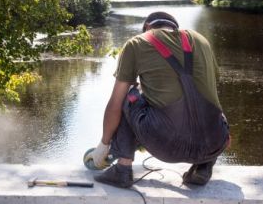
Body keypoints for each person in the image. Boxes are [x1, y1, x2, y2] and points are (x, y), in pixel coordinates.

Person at [84, 11, 230, 188]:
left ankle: (122, 169)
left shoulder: (137, 43)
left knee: (129, 94)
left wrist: (103, 145)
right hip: (215, 142)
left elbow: (115, 103)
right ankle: (203, 166)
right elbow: (212, 92)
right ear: (174, 27)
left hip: (168, 147)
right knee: (207, 103)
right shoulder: (201, 40)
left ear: (146, 28)